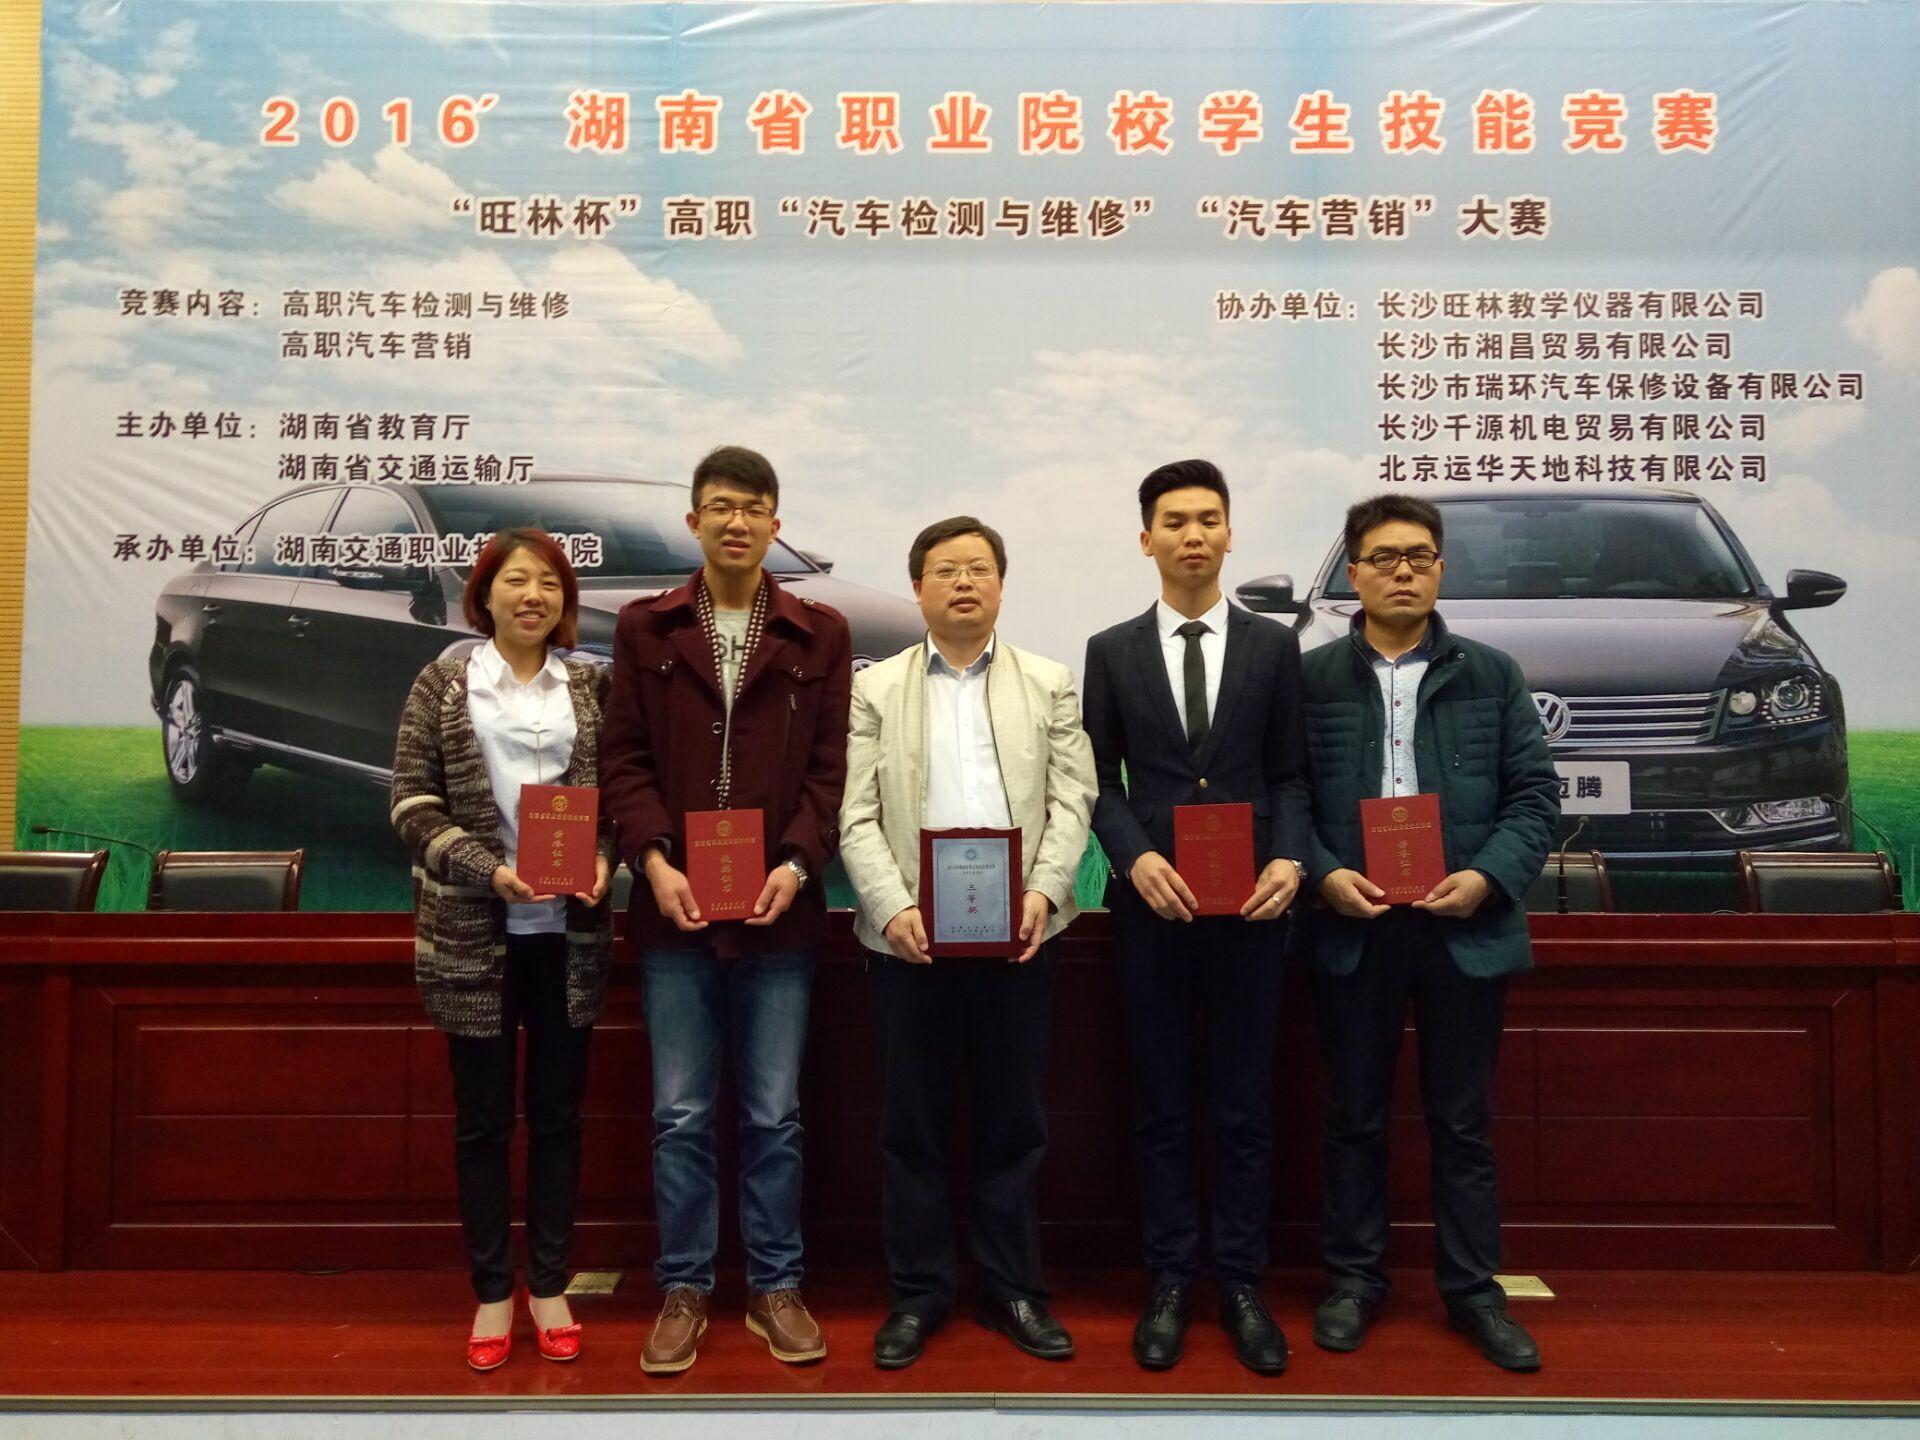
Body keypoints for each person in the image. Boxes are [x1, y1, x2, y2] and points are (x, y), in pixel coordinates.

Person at [600, 445, 852, 1375]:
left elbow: (830, 769)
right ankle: (684, 1289)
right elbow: (623, 759)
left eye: (753, 508)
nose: (736, 522)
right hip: (674, 912)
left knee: (775, 1113)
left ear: (776, 524)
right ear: (694, 521)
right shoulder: (648, 626)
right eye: (720, 506)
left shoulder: (818, 633)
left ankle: (776, 1287)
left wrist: (798, 860)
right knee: (680, 1113)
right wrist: (653, 862)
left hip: (782, 912)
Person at [1300, 493, 1560, 1372]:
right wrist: (1323, 874)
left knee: (1463, 1123)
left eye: (1418, 556)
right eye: (1383, 557)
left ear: (1441, 569)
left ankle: (1474, 1293)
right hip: (1355, 925)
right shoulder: (1311, 680)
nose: (1402, 571)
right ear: (1354, 574)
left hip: (1463, 927)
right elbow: (1285, 796)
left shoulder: (1492, 674)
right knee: (1352, 1117)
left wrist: (1486, 877)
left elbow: (1535, 796)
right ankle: (1353, 1282)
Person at [838, 516, 1097, 1370]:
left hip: (1018, 935)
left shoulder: (1048, 681)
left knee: (1013, 1122)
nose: (963, 582)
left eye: (979, 569)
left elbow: (1073, 798)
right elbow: (855, 813)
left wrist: (1044, 890)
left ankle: (1013, 1289)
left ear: (1000, 584)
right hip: (909, 941)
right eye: (945, 570)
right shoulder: (876, 688)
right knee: (910, 1125)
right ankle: (918, 1294)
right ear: (917, 587)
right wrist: (891, 905)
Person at [1081, 459, 1311, 1376]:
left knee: (1246, 1107)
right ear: (1146, 539)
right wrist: (1134, 857)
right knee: (1164, 1107)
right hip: (1154, 912)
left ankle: (1243, 1283)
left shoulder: (1273, 647)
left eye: (1208, 519)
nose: (1192, 535)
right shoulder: (1111, 650)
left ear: (1229, 534)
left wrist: (1290, 856)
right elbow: (1097, 783)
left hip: (1253, 908)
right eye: (1174, 521)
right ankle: (1172, 1279)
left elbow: (1290, 774)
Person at [390, 527, 615, 1371]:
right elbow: (411, 804)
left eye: (550, 584)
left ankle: (549, 1285)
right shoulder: (444, 682)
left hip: (568, 938)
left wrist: (605, 857)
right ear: (484, 594)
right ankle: (492, 1291)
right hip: (473, 938)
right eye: (516, 580)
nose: (533, 596)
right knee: (482, 1122)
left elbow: (619, 802)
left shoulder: (589, 684)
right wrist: (489, 870)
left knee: (558, 1117)